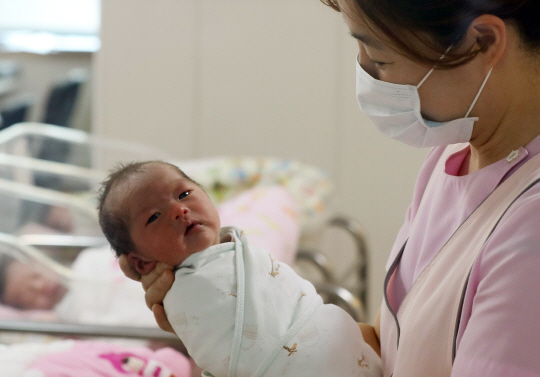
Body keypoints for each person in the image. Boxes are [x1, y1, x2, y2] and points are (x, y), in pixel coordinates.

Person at [126, 1, 540, 376]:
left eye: (379, 57)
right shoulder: (451, 160)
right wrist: (238, 329)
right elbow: (389, 347)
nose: (365, 71)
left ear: (483, 41)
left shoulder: (529, 232)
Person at [98, 161, 381, 377]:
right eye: (155, 216)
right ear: (140, 262)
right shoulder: (177, 289)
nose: (178, 210)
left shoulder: (236, 248)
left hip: (336, 348)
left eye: (184, 193)